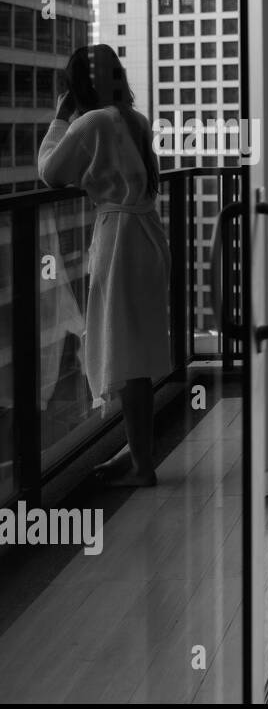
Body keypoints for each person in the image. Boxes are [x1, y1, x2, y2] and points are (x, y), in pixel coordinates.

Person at [38, 45, 171, 488]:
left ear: (78, 87)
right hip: (149, 236)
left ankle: (142, 467)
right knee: (136, 351)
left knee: (125, 353)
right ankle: (139, 454)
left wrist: (62, 116)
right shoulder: (136, 120)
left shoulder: (90, 122)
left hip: (121, 244)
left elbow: (49, 171)